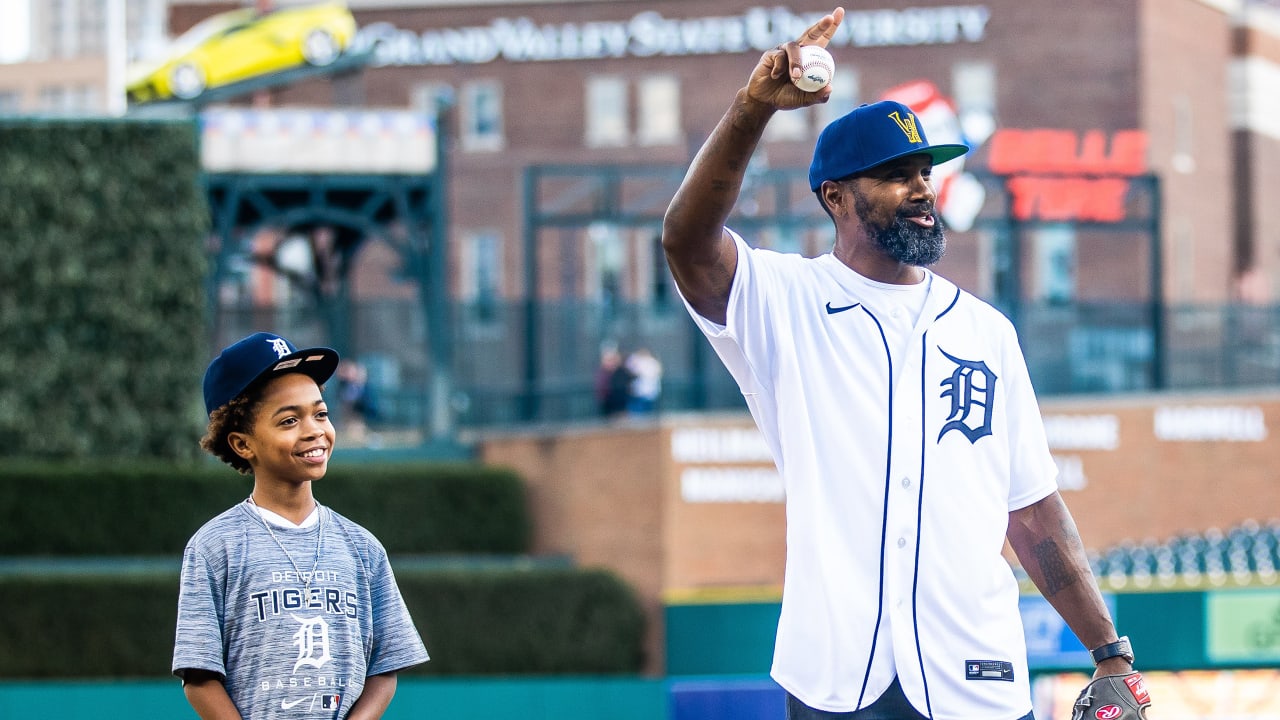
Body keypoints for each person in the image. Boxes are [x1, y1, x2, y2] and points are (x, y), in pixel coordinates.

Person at [661, 9, 1146, 720]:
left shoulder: (986, 332)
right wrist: (752, 108)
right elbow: (687, 238)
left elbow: (1032, 511)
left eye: (925, 172)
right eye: (895, 176)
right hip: (834, 677)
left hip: (974, 678)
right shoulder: (783, 302)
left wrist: (1110, 653)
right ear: (836, 196)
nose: (923, 190)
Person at [173, 332, 429, 719]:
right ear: (243, 444)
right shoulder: (214, 546)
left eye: (321, 413)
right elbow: (199, 678)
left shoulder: (362, 547)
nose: (314, 430)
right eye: (290, 420)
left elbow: (385, 666)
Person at [625, 347, 663, 415]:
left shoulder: (644, 363)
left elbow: (631, 369)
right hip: (646, 392)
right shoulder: (652, 362)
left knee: (640, 413)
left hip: (643, 392)